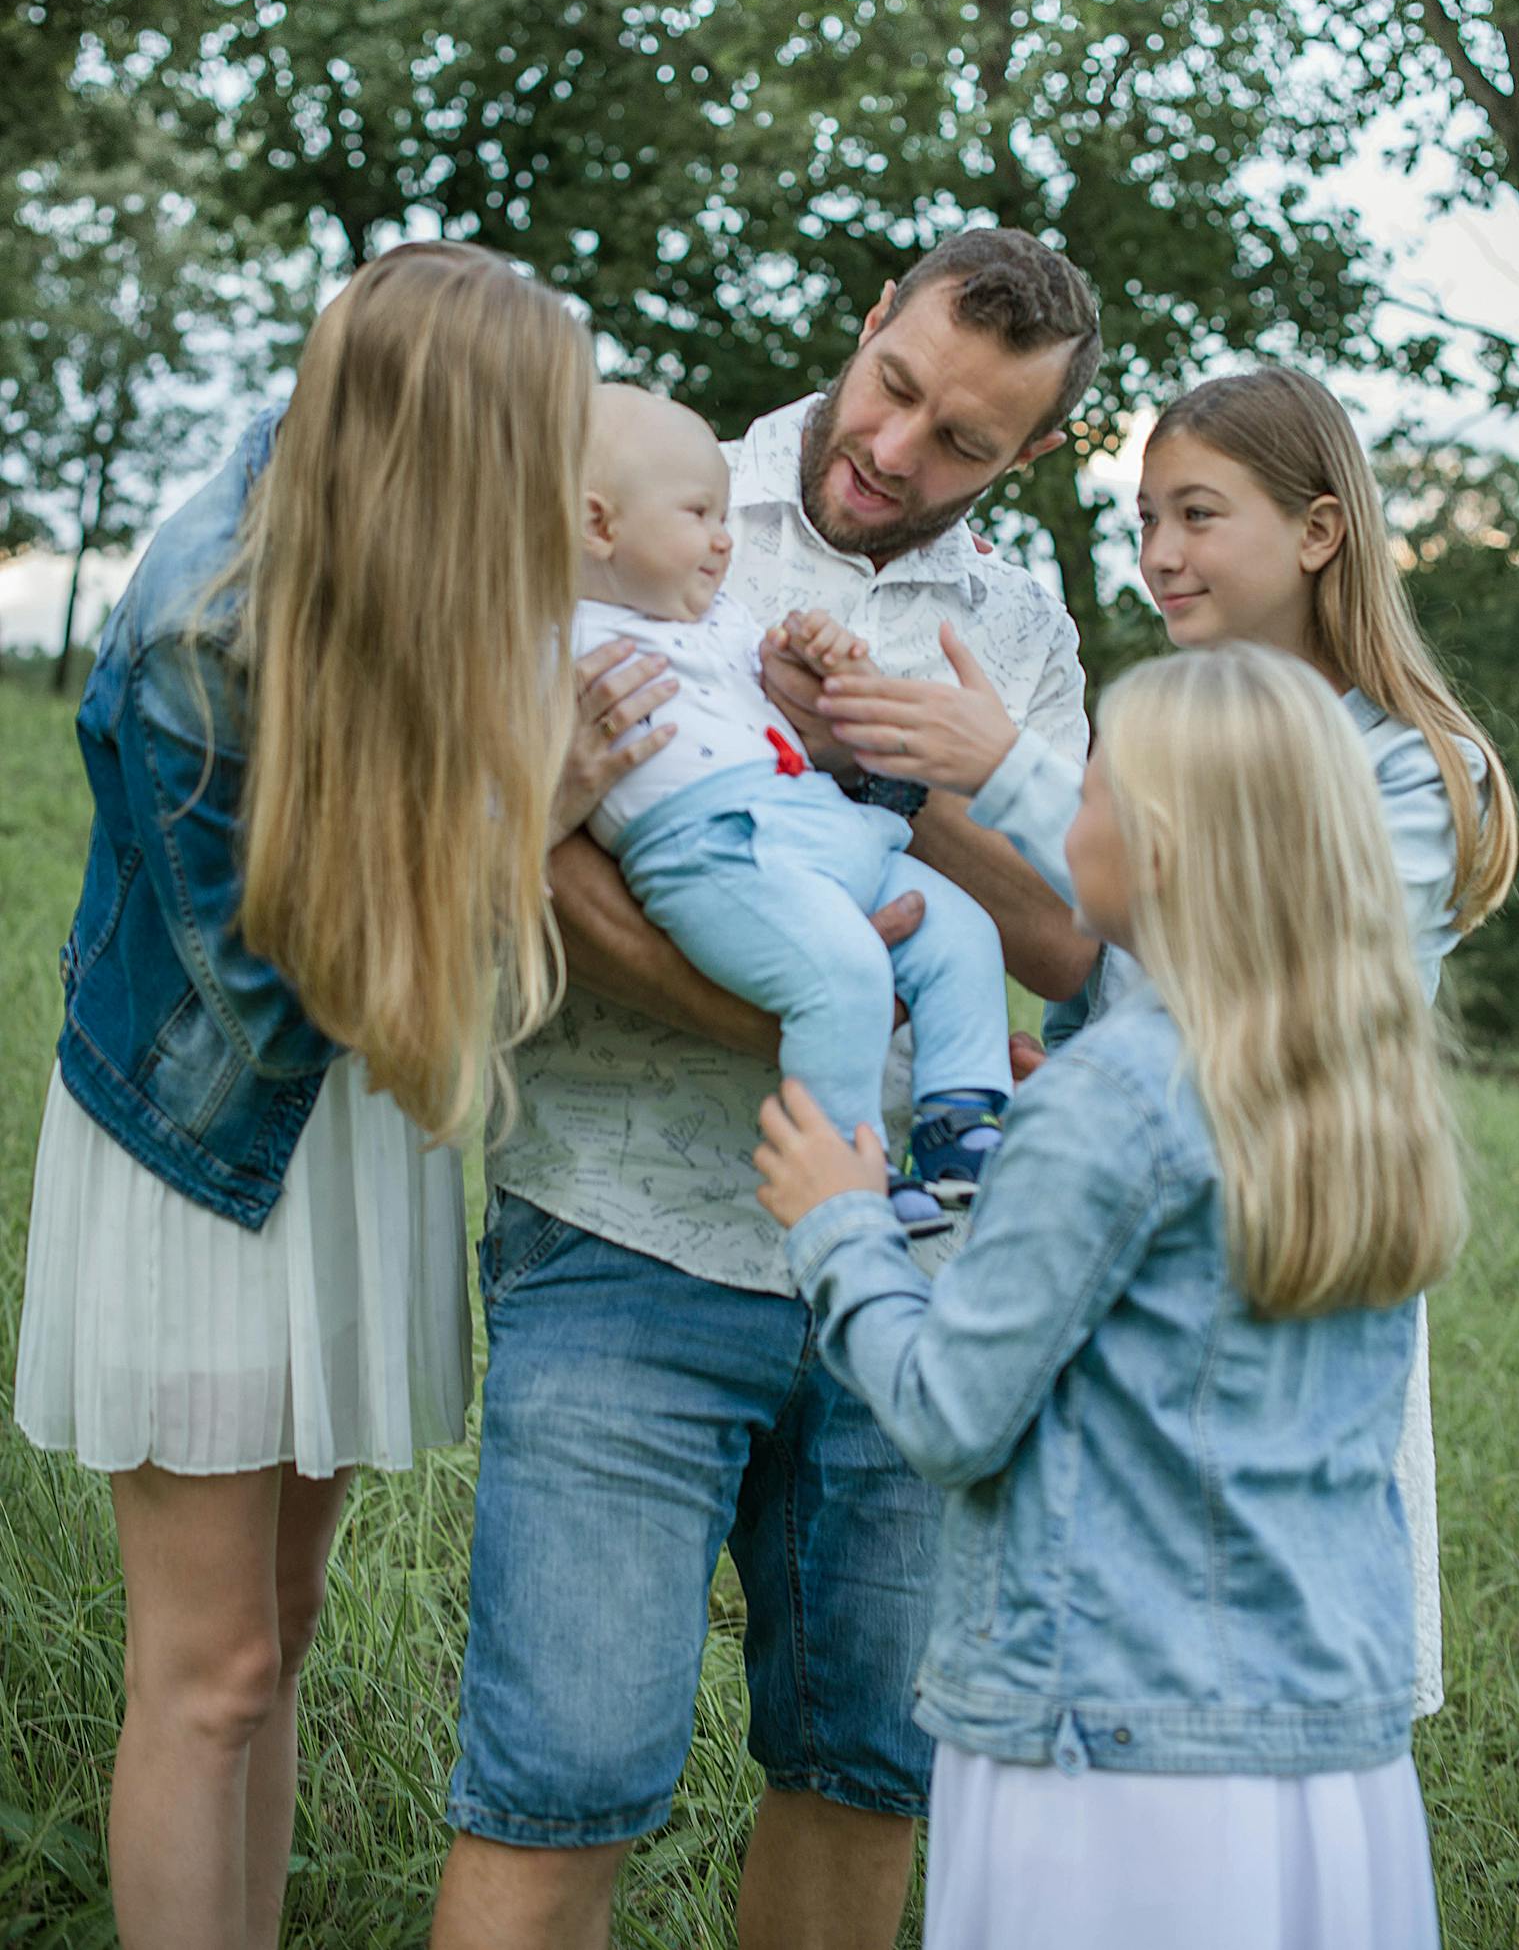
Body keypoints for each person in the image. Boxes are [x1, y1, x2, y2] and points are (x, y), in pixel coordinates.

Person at [433, 226, 1104, 1950]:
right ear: (866, 318)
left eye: (963, 441)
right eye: (896, 388)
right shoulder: (645, 493)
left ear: (1026, 456)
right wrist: (797, 1021)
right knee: (555, 1788)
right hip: (630, 1241)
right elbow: (550, 851)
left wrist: (906, 763)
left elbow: (1063, 941)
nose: (896, 450)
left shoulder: (1019, 636)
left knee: (866, 1771)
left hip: (909, 1298)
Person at [9, 241, 638, 1950]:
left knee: (278, 1630)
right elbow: (296, 1002)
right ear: (456, 441)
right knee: (203, 1671)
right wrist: (536, 824)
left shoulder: (388, 532)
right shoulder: (196, 635)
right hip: (212, 1146)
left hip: (346, 1132)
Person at [816, 361, 1517, 1719]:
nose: (1159, 556)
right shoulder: (1177, 724)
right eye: (1143, 519)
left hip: (1287, 1250)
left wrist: (1003, 765)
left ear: (1320, 531)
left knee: (1270, 1659)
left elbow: (1276, 962)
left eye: (1198, 515)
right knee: (1117, 1627)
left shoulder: (1417, 766)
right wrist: (1068, 1071)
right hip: (1127, 1239)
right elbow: (1128, 980)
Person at [756, 644, 1466, 1950]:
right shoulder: (1363, 1089)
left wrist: (840, 1220)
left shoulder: (1123, 1093)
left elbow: (953, 1411)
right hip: (1328, 1753)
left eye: (1094, 789)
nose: (1063, 812)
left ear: (1166, 842)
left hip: (1116, 1756)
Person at [575, 380, 1016, 1232]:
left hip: (818, 819)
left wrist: (805, 665)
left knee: (962, 929)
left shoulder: (723, 616)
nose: (721, 540)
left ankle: (963, 1124)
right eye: (700, 514)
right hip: (716, 847)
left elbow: (781, 687)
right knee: (844, 974)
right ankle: (848, 1176)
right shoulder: (557, 631)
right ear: (601, 526)